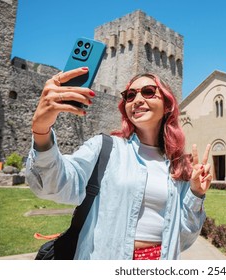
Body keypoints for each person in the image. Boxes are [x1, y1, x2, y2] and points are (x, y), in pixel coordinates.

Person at [25, 67, 212, 260]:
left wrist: (196, 193)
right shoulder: (106, 148)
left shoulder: (177, 166)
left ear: (167, 105)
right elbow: (54, 185)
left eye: (148, 92)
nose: (137, 100)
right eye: (130, 95)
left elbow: (184, 238)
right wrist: (41, 130)